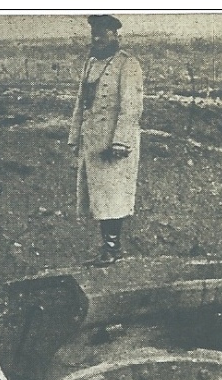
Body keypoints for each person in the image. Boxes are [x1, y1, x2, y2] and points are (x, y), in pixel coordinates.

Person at [68, 14, 144, 266]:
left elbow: (131, 107)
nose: (97, 39)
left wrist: (120, 142)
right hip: (92, 142)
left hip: (114, 145)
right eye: (94, 35)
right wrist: (75, 135)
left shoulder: (127, 64)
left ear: (115, 36)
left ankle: (113, 249)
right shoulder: (90, 64)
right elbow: (82, 103)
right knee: (99, 199)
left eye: (103, 34)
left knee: (113, 198)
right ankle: (107, 248)